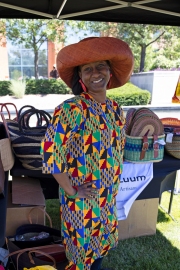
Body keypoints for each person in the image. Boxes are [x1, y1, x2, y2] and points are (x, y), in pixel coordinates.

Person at [41, 37, 134, 270]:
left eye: (101, 66)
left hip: (107, 200)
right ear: (80, 77)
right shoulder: (72, 109)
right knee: (81, 259)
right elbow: (50, 153)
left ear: (110, 72)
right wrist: (72, 190)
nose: (96, 73)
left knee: (100, 252)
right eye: (87, 69)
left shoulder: (115, 110)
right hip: (82, 203)